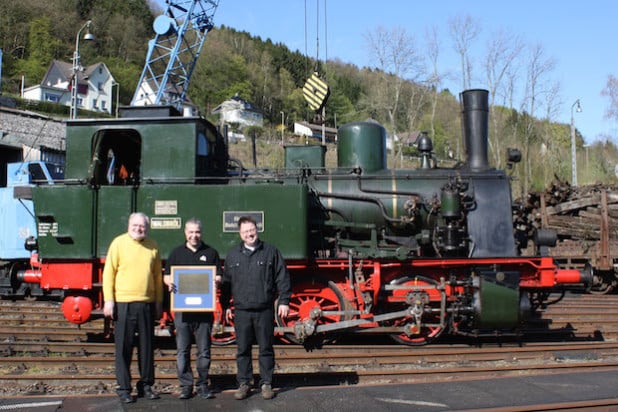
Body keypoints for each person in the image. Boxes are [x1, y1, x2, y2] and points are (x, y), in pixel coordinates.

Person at [221, 216, 292, 400]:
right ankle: (244, 383)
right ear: (240, 234)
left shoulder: (271, 251)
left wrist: (284, 301)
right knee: (242, 349)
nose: (249, 234)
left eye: (251, 230)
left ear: (257, 229)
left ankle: (266, 383)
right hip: (242, 310)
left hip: (264, 309)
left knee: (266, 348)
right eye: (245, 231)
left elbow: (282, 277)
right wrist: (225, 306)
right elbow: (227, 284)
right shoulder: (232, 255)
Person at [102, 212, 163, 404]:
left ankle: (146, 385)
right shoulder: (118, 244)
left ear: (147, 227)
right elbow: (108, 274)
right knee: (123, 348)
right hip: (123, 303)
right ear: (129, 225)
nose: (139, 228)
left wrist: (159, 302)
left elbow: (157, 278)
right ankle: (124, 388)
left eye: (142, 226)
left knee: (147, 348)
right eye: (135, 225)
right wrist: (109, 300)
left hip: (146, 303)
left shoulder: (153, 246)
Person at [164, 218, 222, 400]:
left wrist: (216, 280)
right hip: (182, 311)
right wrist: (169, 282)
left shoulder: (211, 253)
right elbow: (166, 276)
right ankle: (186, 386)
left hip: (204, 312)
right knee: (183, 350)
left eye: (197, 232)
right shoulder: (176, 253)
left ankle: (203, 384)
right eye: (191, 232)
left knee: (204, 351)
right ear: (185, 233)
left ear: (201, 233)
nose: (194, 235)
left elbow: (219, 275)